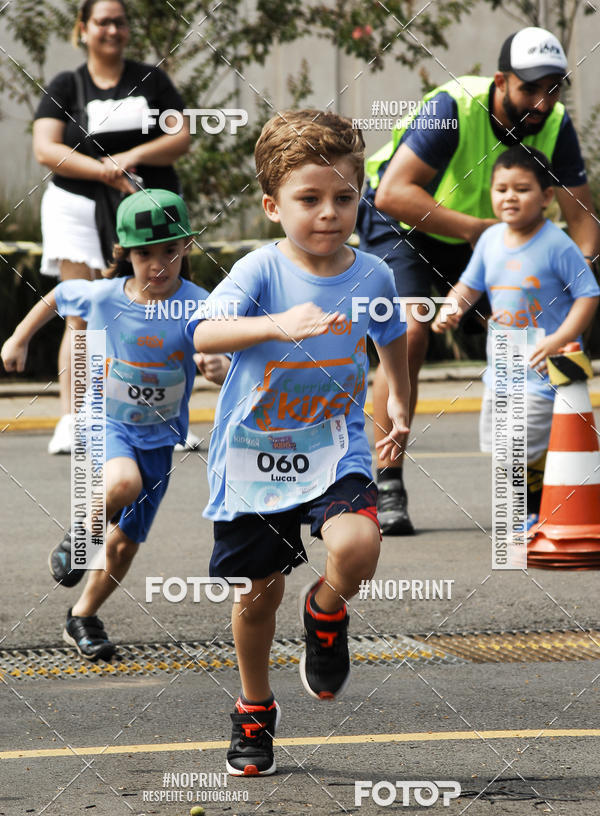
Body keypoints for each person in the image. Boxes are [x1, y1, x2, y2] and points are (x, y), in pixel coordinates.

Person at [189, 110, 411, 776]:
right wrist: (275, 324)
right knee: (258, 593)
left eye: (345, 197)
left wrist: (397, 396)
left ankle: (326, 610)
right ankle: (254, 705)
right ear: (272, 204)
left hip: (334, 445)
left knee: (358, 545)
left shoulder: (373, 274)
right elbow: (200, 333)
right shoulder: (260, 270)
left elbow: (390, 337)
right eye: (309, 199)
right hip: (255, 455)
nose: (329, 213)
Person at [357, 26, 600, 535]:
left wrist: (565, 288)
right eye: (529, 88)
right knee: (411, 331)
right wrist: (479, 232)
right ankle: (387, 480)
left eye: (553, 87)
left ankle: (533, 490)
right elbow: (394, 195)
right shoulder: (453, 108)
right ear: (500, 81)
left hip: (489, 236)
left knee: (527, 328)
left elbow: (582, 221)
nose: (541, 100)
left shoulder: (554, 122)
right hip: (407, 224)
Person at [1, 190, 208, 662]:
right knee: (122, 482)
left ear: (187, 248)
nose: (158, 265)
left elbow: (223, 341)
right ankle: (80, 537)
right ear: (125, 254)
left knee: (125, 546)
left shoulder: (199, 303)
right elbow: (57, 295)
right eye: (144, 254)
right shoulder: (105, 295)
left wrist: (215, 361)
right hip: (107, 421)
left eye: (169, 251)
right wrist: (18, 339)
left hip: (161, 438)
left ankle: (82, 615)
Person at [33, 0, 195, 454]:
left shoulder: (152, 79)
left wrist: (130, 159)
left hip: (143, 211)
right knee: (81, 313)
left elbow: (179, 136)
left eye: (119, 21)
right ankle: (73, 418)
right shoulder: (67, 84)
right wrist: (100, 170)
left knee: (155, 307)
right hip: (76, 206)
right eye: (102, 21)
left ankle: (161, 418)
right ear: (83, 29)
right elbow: (46, 148)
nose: (112, 29)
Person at [432, 145, 600, 526]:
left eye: (521, 189)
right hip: (502, 372)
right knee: (506, 448)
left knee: (516, 448)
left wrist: (561, 338)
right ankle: (537, 506)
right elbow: (469, 286)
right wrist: (451, 309)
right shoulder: (490, 240)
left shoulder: (557, 244)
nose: (509, 196)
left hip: (546, 373)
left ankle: (527, 513)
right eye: (501, 188)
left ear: (545, 198)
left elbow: (588, 294)